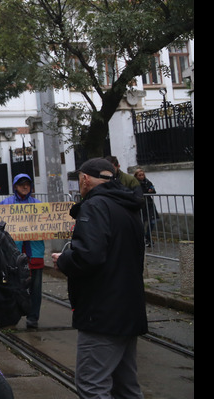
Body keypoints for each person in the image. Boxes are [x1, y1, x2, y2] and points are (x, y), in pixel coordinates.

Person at [52, 158, 147, 399]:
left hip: (102, 311)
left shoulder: (94, 206)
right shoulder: (126, 204)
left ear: (84, 180)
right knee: (125, 387)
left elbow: (89, 256)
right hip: (129, 307)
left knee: (92, 384)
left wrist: (63, 259)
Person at [1, 174, 44, 329]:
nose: (25, 187)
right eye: (21, 184)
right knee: (13, 286)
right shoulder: (6, 204)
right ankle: (12, 316)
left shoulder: (39, 205)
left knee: (36, 288)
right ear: (15, 186)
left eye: (27, 184)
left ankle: (33, 318)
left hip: (35, 253)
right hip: (14, 254)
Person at [134, 168, 158, 247]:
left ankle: (147, 236)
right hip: (141, 205)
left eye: (142, 175)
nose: (142, 176)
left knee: (152, 221)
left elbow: (153, 190)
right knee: (142, 223)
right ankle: (143, 238)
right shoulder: (135, 183)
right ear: (136, 176)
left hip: (149, 204)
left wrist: (151, 190)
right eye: (139, 175)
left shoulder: (147, 182)